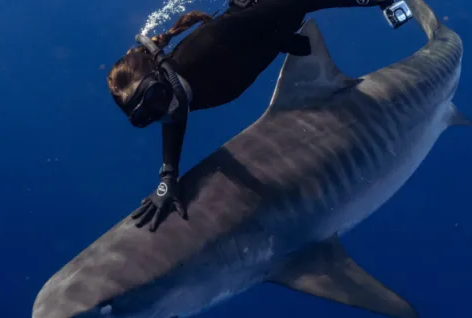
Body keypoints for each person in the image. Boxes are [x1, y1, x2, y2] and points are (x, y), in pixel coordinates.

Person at [106, 0, 398, 231]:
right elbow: (174, 118)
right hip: (263, 29)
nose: (163, 111)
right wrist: (168, 176)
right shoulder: (174, 97)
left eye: (156, 97)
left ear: (161, 73)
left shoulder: (207, 47)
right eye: (147, 117)